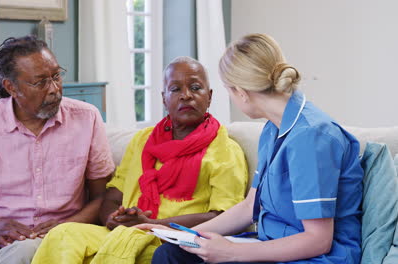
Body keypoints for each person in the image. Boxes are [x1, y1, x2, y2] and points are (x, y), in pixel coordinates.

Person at [138, 34, 363, 264]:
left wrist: (230, 252)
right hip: (270, 245)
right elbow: (248, 207)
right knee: (172, 254)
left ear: (241, 92)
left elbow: (318, 240)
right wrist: (183, 236)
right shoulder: (273, 129)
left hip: (315, 257)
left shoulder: (311, 137)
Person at [31, 56, 249, 264]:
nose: (186, 95)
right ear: (164, 98)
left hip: (172, 241)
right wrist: (113, 219)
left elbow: (223, 217)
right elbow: (113, 197)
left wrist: (153, 225)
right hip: (127, 232)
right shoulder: (143, 140)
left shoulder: (225, 150)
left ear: (209, 96)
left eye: (195, 88)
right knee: (63, 234)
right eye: (175, 89)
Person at [0, 35, 115, 264]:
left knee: (23, 250)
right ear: (11, 87)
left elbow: (103, 196)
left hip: (52, 240)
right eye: (40, 82)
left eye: (56, 76)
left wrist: (65, 227)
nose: (54, 89)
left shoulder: (86, 118)